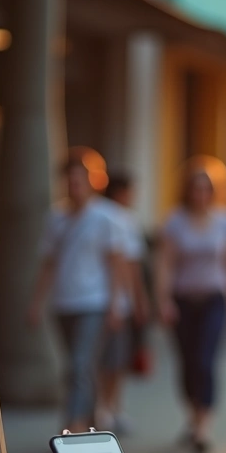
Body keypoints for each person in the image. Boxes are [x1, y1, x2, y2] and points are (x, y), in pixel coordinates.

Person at [156, 159, 226, 453]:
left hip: (215, 300)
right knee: (186, 363)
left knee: (204, 360)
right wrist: (163, 300)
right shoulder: (175, 220)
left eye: (206, 189)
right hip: (183, 302)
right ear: (186, 191)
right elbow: (165, 265)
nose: (200, 195)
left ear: (215, 191)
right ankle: (192, 414)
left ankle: (203, 427)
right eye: (195, 189)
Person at [28, 149, 130, 434]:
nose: (74, 186)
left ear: (94, 180)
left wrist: (115, 305)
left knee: (79, 364)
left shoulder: (107, 217)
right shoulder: (57, 218)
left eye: (80, 179)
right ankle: (95, 418)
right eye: (69, 180)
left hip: (94, 303)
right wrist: (37, 303)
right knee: (80, 367)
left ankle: (73, 425)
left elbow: (116, 264)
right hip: (64, 303)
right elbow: (48, 264)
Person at [96, 171, 150, 434]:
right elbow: (130, 266)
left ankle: (110, 407)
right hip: (113, 301)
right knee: (111, 359)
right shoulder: (119, 219)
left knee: (111, 358)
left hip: (106, 301)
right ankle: (106, 408)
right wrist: (138, 300)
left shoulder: (103, 215)